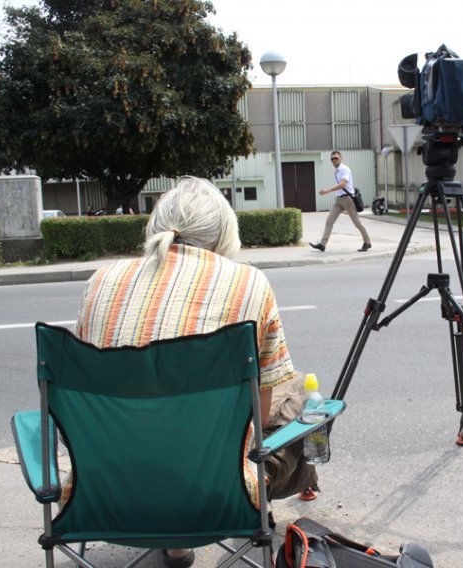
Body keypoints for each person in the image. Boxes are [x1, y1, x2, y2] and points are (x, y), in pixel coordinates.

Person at [71, 177, 317, 568]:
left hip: (105, 492)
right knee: (300, 399)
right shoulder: (249, 282)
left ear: (155, 225)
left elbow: (88, 391)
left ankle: (176, 546)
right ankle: (194, 529)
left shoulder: (100, 281)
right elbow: (260, 413)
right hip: (216, 494)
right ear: (223, 232)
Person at [309, 151, 372, 252]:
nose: (334, 160)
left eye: (336, 158)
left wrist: (328, 190)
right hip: (338, 200)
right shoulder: (337, 171)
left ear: (341, 158)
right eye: (332, 159)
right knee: (329, 221)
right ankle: (322, 244)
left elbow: (343, 184)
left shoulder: (344, 169)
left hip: (347, 200)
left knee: (357, 223)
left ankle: (367, 242)